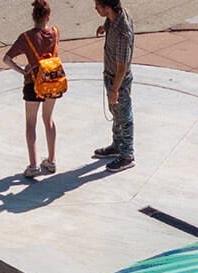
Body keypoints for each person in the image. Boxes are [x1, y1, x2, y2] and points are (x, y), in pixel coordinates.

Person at [3, 0, 62, 179]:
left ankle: (33, 165)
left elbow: (7, 59)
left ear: (33, 16)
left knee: (31, 123)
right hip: (52, 81)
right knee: (48, 119)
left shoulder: (26, 37)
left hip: (33, 83)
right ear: (48, 16)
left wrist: (23, 71)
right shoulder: (55, 33)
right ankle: (51, 160)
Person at [92, 0, 135, 171]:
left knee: (124, 117)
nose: (95, 9)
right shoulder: (116, 16)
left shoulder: (123, 33)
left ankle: (127, 155)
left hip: (118, 81)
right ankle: (117, 146)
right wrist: (105, 27)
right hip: (110, 76)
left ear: (107, 8)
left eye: (98, 6)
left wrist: (114, 90)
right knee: (116, 113)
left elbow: (122, 67)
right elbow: (111, 20)